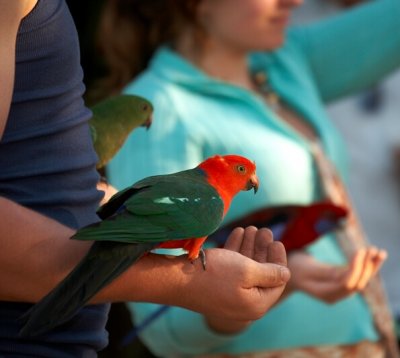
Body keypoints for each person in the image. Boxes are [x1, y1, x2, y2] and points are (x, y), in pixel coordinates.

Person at [100, 0, 399, 356]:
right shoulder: (161, 105)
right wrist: (281, 280)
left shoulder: (284, 62)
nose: (295, 2)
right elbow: (162, 323)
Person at [0, 1, 291, 356]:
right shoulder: (210, 200)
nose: (250, 179)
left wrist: (96, 197)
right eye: (243, 170)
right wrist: (184, 285)